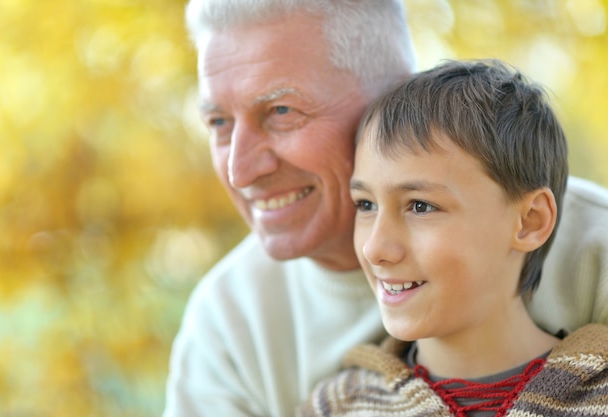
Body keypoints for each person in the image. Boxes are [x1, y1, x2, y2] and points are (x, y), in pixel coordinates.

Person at [164, 0, 608, 416]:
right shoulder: (228, 324)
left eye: (281, 111)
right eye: (218, 122)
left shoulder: (594, 246)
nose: (239, 171)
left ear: (396, 96)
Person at [297, 59, 608, 417]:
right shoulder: (336, 407)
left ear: (529, 221)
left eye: (420, 206)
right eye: (365, 204)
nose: (375, 248)